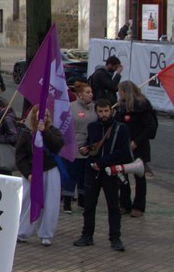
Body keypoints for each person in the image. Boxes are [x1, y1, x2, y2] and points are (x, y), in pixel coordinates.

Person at [74, 99, 131, 251]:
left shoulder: (121, 128)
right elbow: (91, 145)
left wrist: (103, 162)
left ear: (111, 111)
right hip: (92, 171)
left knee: (113, 206)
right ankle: (87, 235)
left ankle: (115, 238)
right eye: (100, 111)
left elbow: (123, 152)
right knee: (89, 205)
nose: (104, 114)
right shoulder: (92, 127)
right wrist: (84, 149)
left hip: (110, 172)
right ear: (96, 112)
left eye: (106, 111)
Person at [16, 107, 64, 246]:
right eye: (42, 115)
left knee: (50, 202)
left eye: (48, 115)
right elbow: (20, 157)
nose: (45, 117)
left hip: (50, 170)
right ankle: (22, 232)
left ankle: (46, 234)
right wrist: (28, 173)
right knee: (27, 203)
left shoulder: (53, 131)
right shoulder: (26, 134)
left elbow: (57, 146)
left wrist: (45, 131)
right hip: (32, 173)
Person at [114, 80, 156, 217]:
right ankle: (124, 203)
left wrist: (136, 141)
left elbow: (149, 127)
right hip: (123, 146)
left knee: (139, 177)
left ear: (126, 91)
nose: (119, 93)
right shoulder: (121, 106)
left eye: (121, 91)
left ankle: (139, 206)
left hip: (139, 146)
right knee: (122, 175)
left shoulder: (142, 105)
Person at [66, 82, 95, 214]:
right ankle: (67, 201)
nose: (91, 94)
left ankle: (82, 200)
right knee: (73, 174)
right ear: (80, 95)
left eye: (91, 92)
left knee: (85, 175)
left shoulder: (95, 108)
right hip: (75, 145)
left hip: (89, 146)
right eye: (87, 92)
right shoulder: (71, 107)